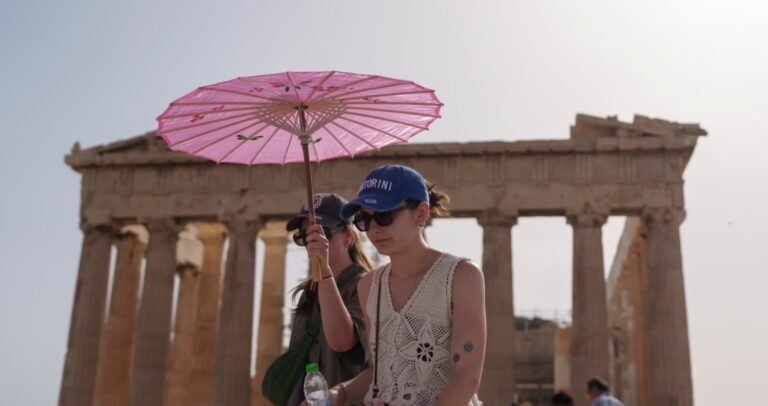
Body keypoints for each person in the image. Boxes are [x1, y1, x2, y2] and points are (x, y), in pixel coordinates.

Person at [311, 164, 487, 406]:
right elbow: (379, 374)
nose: (374, 229)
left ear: (421, 213)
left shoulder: (462, 277)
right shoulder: (369, 286)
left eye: (384, 215)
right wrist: (338, 393)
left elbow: (466, 378)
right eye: (364, 219)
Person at [282, 193, 375, 405]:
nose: (310, 243)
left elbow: (343, 343)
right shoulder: (309, 293)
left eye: (322, 233)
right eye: (304, 236)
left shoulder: (367, 286)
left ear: (348, 236)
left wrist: (323, 268)